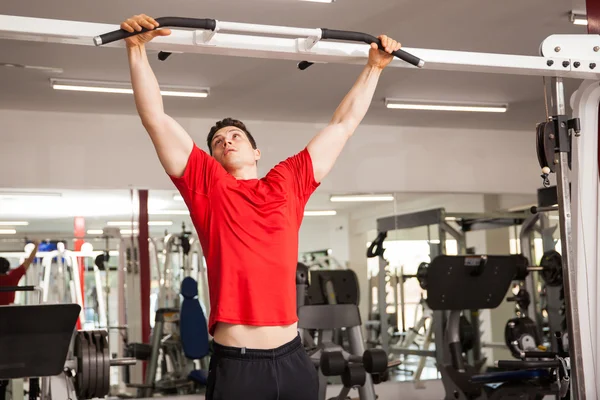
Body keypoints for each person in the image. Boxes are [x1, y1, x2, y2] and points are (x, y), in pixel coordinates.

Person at [121, 14, 401, 400]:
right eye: (218, 140)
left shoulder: (288, 180)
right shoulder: (208, 186)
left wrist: (374, 68)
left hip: (293, 358)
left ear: (256, 151)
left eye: (235, 135)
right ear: (213, 157)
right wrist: (137, 49)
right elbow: (155, 118)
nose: (226, 141)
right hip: (238, 364)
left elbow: (343, 125)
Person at [0, 241, 40, 306]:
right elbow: (29, 260)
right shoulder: (12, 277)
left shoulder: (11, 277)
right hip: (8, 311)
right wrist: (36, 245)